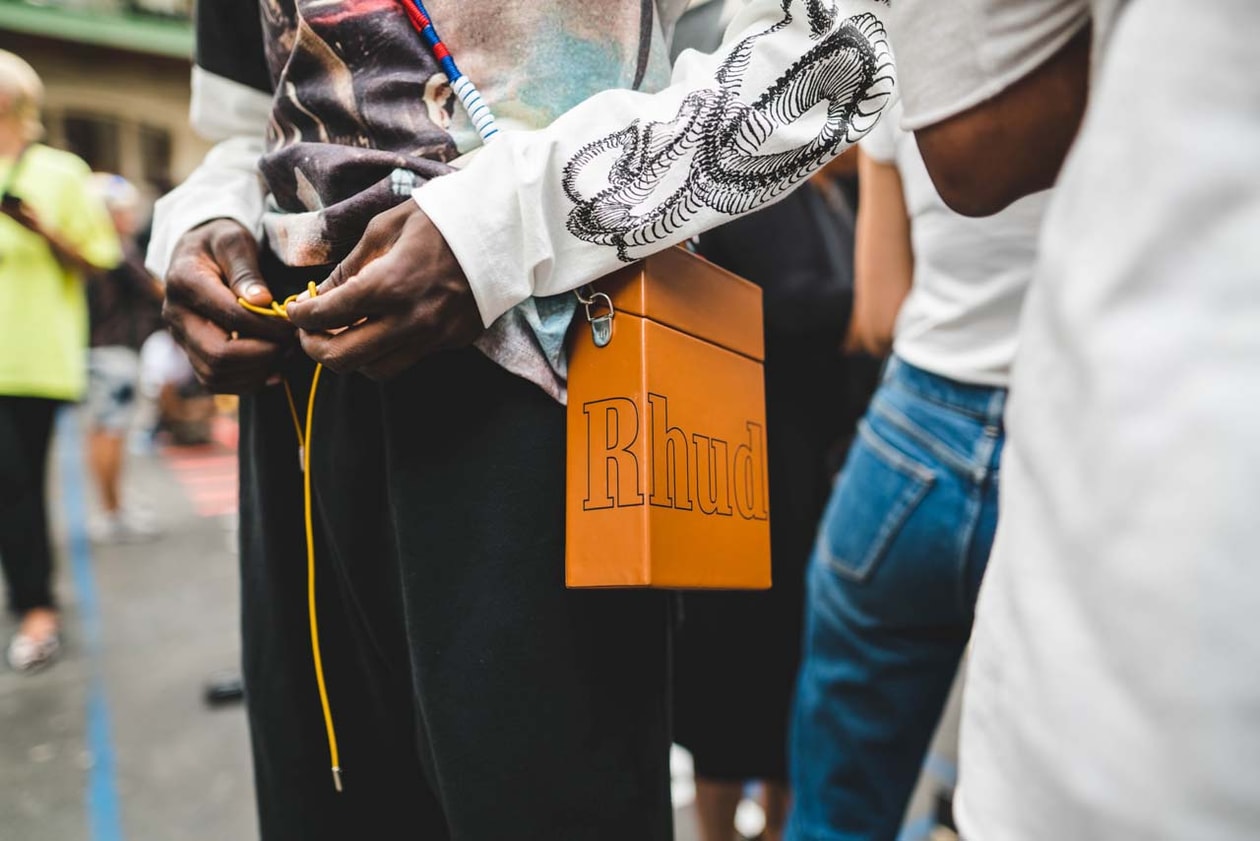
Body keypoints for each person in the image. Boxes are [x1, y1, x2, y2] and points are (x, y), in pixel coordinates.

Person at [147, 1, 894, 838]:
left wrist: (506, 225)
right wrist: (199, 221)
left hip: (557, 384)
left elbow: (832, 56)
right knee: (323, 803)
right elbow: (246, 122)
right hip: (298, 390)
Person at [885, 2, 1260, 839]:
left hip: (1034, 445)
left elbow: (964, 147)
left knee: (847, 769)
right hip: (1134, 468)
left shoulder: (888, 113)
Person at [784, 95, 1049, 841]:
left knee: (837, 812)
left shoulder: (909, 64)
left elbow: (878, 311)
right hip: (1069, 440)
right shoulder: (1125, 40)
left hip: (912, 440)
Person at [0, 49, 121, 672]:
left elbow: (99, 259)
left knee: (15, 484)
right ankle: (27, 592)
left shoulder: (60, 170)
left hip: (33, 356)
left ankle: (36, 608)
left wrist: (41, 229)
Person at [85, 172, 165, 542]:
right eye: (125, 209)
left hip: (106, 351)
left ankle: (113, 505)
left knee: (106, 430)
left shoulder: (103, 248)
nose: (131, 216)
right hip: (112, 351)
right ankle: (111, 512)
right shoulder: (111, 250)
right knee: (110, 431)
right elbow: (154, 290)